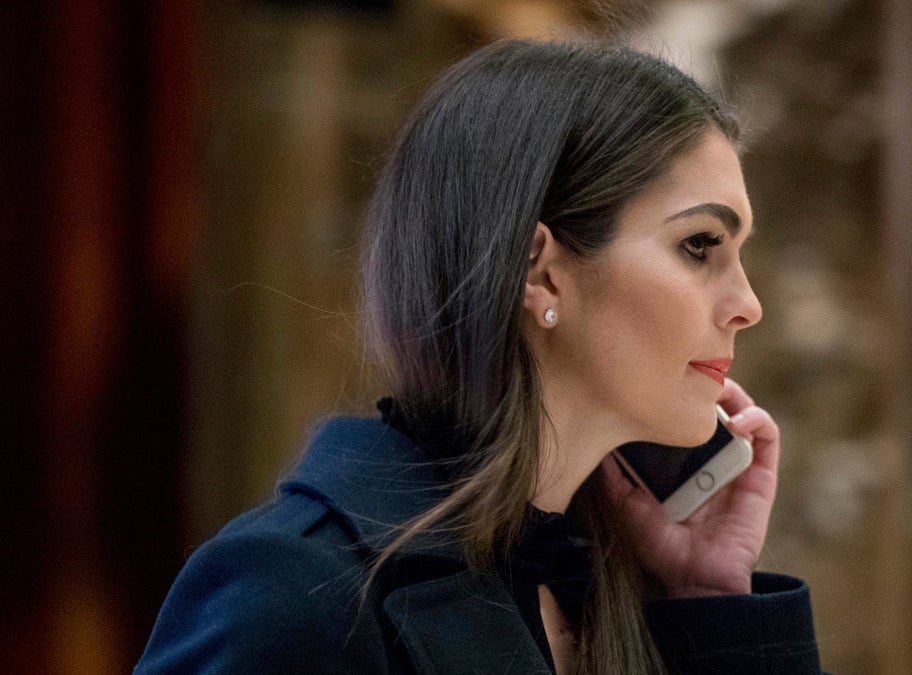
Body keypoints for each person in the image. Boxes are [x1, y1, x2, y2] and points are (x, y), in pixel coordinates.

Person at [136, 39, 824, 674]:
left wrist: (712, 607)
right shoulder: (291, 592)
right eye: (700, 245)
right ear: (541, 270)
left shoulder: (616, 585)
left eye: (739, 254)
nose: (748, 303)